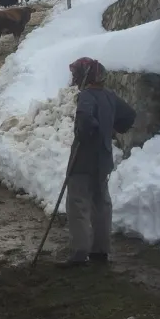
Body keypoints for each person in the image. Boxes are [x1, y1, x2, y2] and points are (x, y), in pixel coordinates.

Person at [58, 57, 136, 268]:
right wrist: (110, 129)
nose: (74, 79)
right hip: (103, 158)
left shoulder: (86, 96)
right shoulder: (110, 96)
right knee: (101, 203)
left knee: (78, 204)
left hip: (83, 159)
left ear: (86, 76)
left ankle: (79, 252)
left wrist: (88, 132)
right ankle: (100, 250)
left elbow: (84, 120)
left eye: (76, 75)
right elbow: (129, 115)